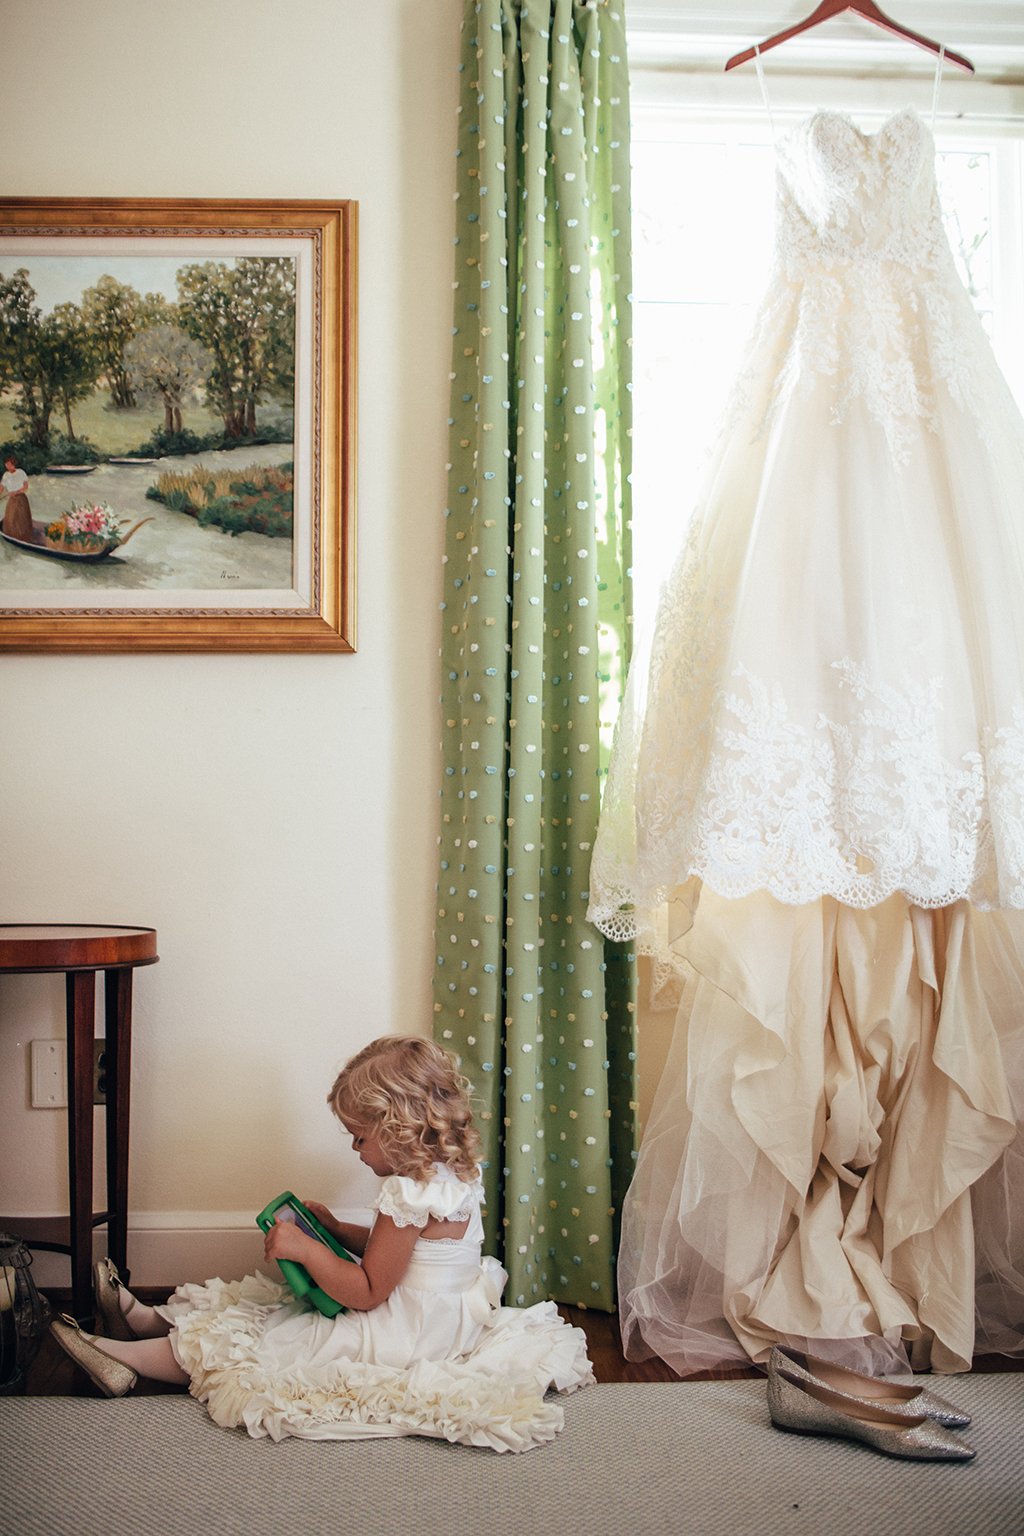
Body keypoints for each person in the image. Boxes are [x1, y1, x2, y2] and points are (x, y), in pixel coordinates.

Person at [49, 1034, 593, 1450]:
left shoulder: (404, 1193)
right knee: (264, 1310)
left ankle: (120, 1355)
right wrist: (334, 1231)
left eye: (359, 1136)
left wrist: (306, 1251)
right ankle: (144, 1320)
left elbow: (370, 1289)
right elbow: (403, 1255)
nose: (355, 1149)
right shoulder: (451, 1176)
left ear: (396, 1128)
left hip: (405, 1333)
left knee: (274, 1340)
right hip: (445, 1319)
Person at [0, 455, 36, 542]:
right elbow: (1, 487)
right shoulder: (6, 475)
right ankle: (12, 535)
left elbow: (25, 487)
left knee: (21, 518)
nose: (7, 467)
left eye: (9, 465)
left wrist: (16, 492)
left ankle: (23, 536)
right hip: (12, 500)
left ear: (13, 464)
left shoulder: (21, 472)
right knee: (11, 517)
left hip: (20, 498)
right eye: (6, 465)